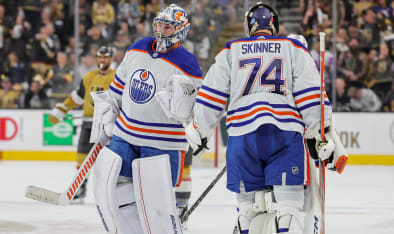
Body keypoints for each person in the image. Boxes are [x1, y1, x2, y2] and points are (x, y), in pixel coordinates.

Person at [185, 3, 347, 233]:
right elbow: (310, 94)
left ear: (248, 27)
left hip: (242, 136)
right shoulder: (291, 47)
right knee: (288, 212)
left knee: (246, 212)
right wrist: (319, 130)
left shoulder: (231, 49)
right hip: (283, 134)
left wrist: (199, 129)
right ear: (274, 25)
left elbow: (212, 94)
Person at [91, 4, 202, 234]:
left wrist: (181, 106)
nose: (161, 30)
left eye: (168, 27)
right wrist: (107, 114)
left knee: (156, 203)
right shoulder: (138, 48)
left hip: (163, 141)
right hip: (125, 134)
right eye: (159, 25)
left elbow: (192, 110)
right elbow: (117, 90)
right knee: (118, 193)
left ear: (180, 30)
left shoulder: (188, 63)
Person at [47, 46, 115, 202]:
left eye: (105, 57)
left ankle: (109, 190)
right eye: (100, 57)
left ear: (110, 59)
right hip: (87, 124)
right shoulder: (88, 77)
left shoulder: (116, 77)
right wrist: (61, 110)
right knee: (81, 158)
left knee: (108, 160)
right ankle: (80, 188)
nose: (102, 60)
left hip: (107, 126)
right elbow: (77, 97)